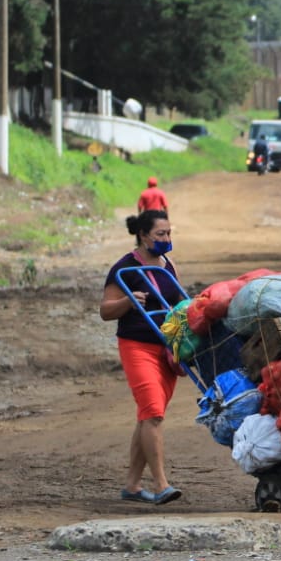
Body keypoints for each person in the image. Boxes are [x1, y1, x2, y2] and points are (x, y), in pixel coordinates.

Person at [99, 209, 184, 506]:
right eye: (161, 234)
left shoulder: (167, 265)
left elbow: (180, 305)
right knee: (153, 413)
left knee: (149, 416)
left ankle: (133, 486)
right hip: (137, 345)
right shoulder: (125, 268)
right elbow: (106, 311)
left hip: (166, 349)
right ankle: (161, 485)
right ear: (144, 235)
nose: (166, 239)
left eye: (169, 233)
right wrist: (128, 301)